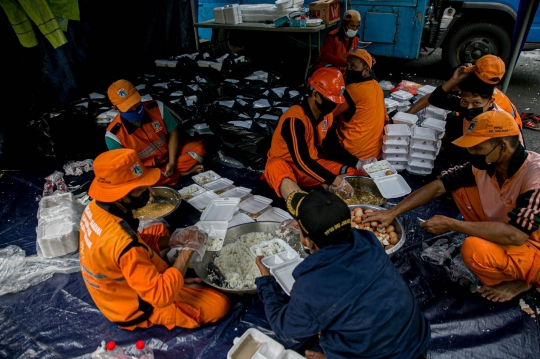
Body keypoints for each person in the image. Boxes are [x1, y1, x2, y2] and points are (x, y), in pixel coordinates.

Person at [364, 111, 540, 303]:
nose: (472, 153)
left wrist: (453, 224)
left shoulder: (534, 177)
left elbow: (516, 235)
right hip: (509, 227)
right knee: (460, 188)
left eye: (477, 148)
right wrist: (392, 212)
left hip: (530, 244)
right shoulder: (487, 165)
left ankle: (524, 282)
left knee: (474, 251)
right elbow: (440, 185)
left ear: (502, 146)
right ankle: (493, 238)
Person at [254, 187, 431, 359]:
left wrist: (267, 282)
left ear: (307, 241)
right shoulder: (369, 242)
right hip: (416, 342)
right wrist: (310, 228)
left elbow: (282, 327)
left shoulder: (313, 286)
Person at [79, 149, 229, 330]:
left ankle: (173, 279)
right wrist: (189, 249)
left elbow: (136, 242)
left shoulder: (95, 208)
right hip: (134, 307)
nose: (149, 192)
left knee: (158, 229)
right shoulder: (123, 244)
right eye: (141, 189)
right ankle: (174, 285)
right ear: (120, 195)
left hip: (119, 281)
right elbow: (161, 296)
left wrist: (173, 240)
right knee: (219, 305)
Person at [262, 68, 364, 199]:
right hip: (286, 166)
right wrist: (334, 180)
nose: (333, 105)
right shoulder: (294, 119)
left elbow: (333, 148)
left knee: (354, 173)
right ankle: (301, 204)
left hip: (311, 166)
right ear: (315, 94)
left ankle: (317, 194)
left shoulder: (327, 116)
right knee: (274, 166)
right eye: (331, 101)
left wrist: (358, 163)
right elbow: (301, 160)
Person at [406, 55, 522, 163]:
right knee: (453, 123)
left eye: (476, 103)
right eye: (464, 101)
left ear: (490, 101)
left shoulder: (495, 120)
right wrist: (453, 80)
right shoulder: (474, 98)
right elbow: (435, 99)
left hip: (502, 140)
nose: (469, 107)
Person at [105, 79, 205, 186]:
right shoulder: (113, 135)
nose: (135, 110)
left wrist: (171, 163)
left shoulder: (157, 107)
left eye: (137, 104)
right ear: (115, 109)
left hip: (170, 157)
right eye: (129, 109)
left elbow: (173, 133)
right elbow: (128, 168)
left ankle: (170, 174)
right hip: (147, 170)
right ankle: (180, 174)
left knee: (198, 149)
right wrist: (149, 175)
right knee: (140, 182)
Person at [322, 49, 387, 165]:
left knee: (323, 125)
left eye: (354, 66)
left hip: (354, 154)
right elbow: (385, 117)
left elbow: (326, 113)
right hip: (375, 152)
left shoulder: (352, 90)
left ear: (366, 70)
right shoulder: (377, 86)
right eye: (347, 65)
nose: (349, 70)